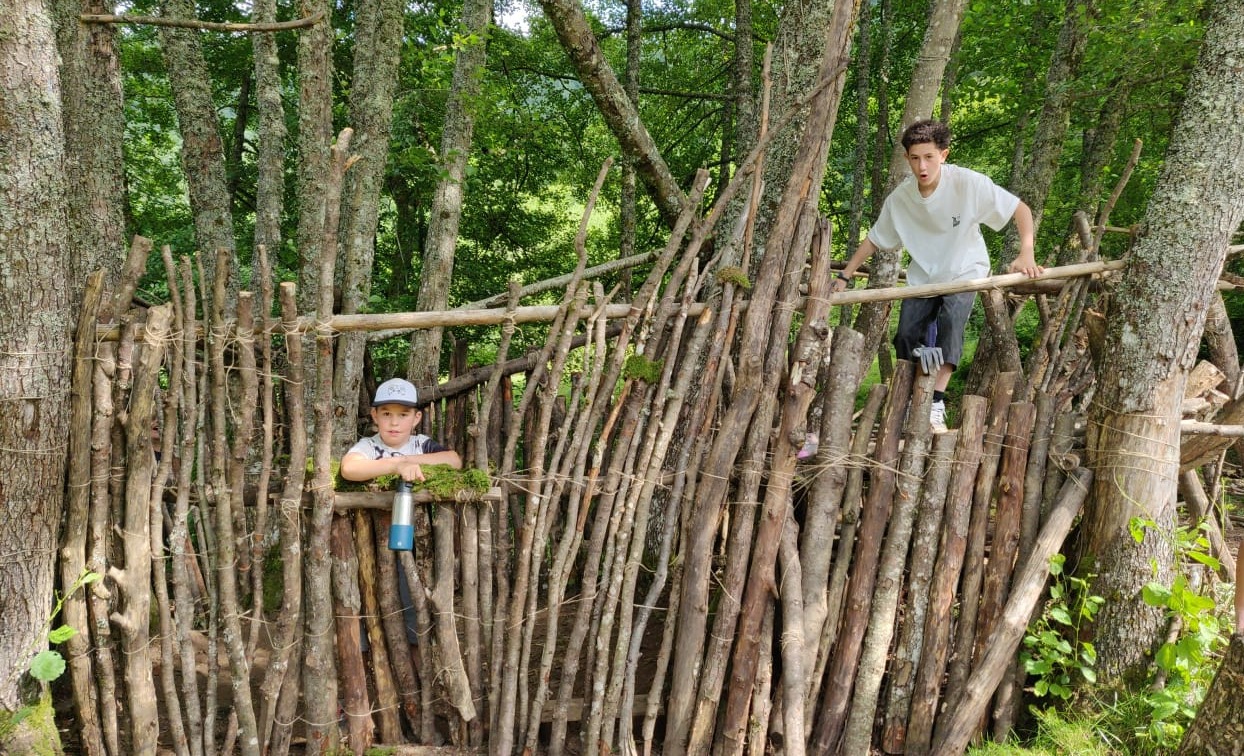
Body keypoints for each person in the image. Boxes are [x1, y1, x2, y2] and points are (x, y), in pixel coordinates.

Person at [832, 119, 1043, 431]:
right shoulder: (901, 199)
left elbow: (1019, 209)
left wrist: (1027, 253)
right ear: (907, 158)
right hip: (924, 276)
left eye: (929, 157)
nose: (922, 166)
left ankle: (934, 403)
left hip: (966, 271)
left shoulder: (967, 183)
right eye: (915, 158)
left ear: (943, 155)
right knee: (906, 337)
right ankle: (912, 397)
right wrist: (844, 276)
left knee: (951, 325)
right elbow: (874, 239)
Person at [340, 377, 462, 482]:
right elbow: (348, 468)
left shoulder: (421, 444)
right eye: (387, 414)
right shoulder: (370, 445)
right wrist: (395, 467)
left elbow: (454, 460)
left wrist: (403, 460)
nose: (394, 423)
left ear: (416, 418)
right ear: (375, 416)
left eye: (403, 415)